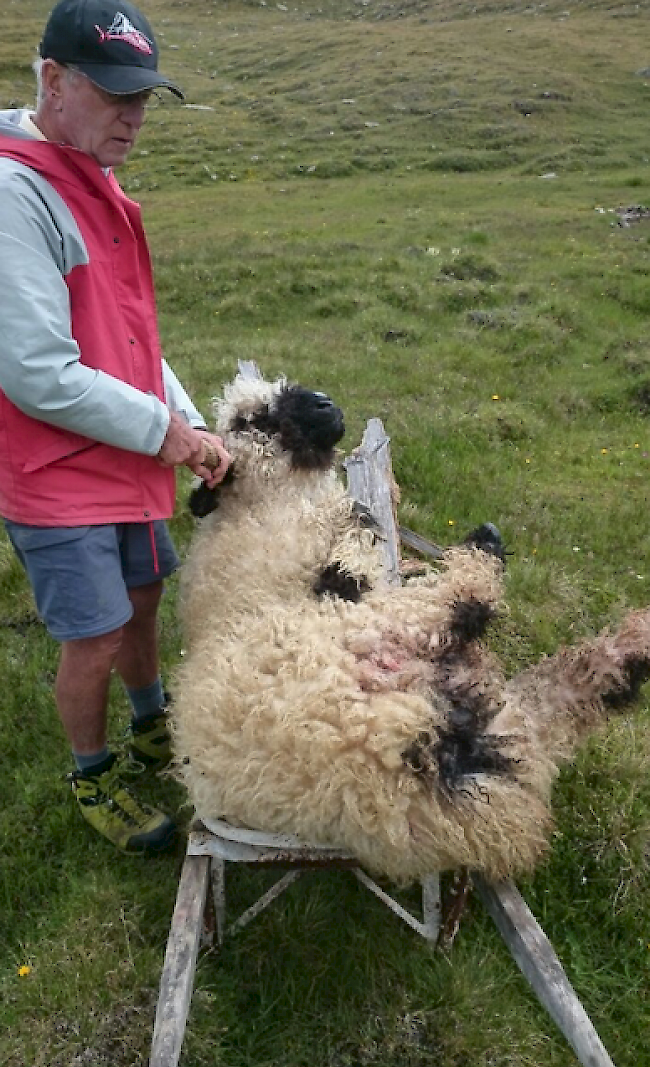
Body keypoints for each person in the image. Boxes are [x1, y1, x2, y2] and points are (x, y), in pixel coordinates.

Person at [0, 0, 231, 854]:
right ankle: (92, 771)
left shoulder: (90, 178)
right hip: (59, 469)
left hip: (125, 452)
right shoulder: (14, 192)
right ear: (53, 81)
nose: (132, 116)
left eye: (142, 98)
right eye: (113, 94)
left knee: (142, 600)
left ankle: (149, 723)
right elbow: (36, 372)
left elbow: (129, 334)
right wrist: (165, 434)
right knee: (92, 635)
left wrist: (191, 419)